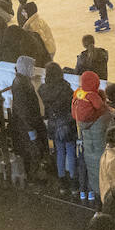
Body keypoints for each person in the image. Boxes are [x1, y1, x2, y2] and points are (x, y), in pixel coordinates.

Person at [39, 62, 79, 195]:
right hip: (66, 124)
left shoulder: (43, 89)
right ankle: (73, 183)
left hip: (53, 124)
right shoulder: (65, 88)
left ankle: (62, 182)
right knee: (70, 152)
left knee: (60, 152)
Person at [72, 70, 111, 202]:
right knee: (98, 170)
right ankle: (96, 195)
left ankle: (86, 192)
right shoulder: (100, 113)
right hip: (98, 146)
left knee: (87, 167)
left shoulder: (78, 94)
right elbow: (100, 106)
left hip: (85, 140)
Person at [9, 55, 45, 184]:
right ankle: (33, 178)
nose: (33, 70)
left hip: (27, 125)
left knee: (32, 151)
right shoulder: (21, 84)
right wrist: (31, 130)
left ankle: (33, 177)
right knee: (32, 151)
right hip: (26, 127)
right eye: (31, 67)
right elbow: (23, 110)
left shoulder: (22, 81)